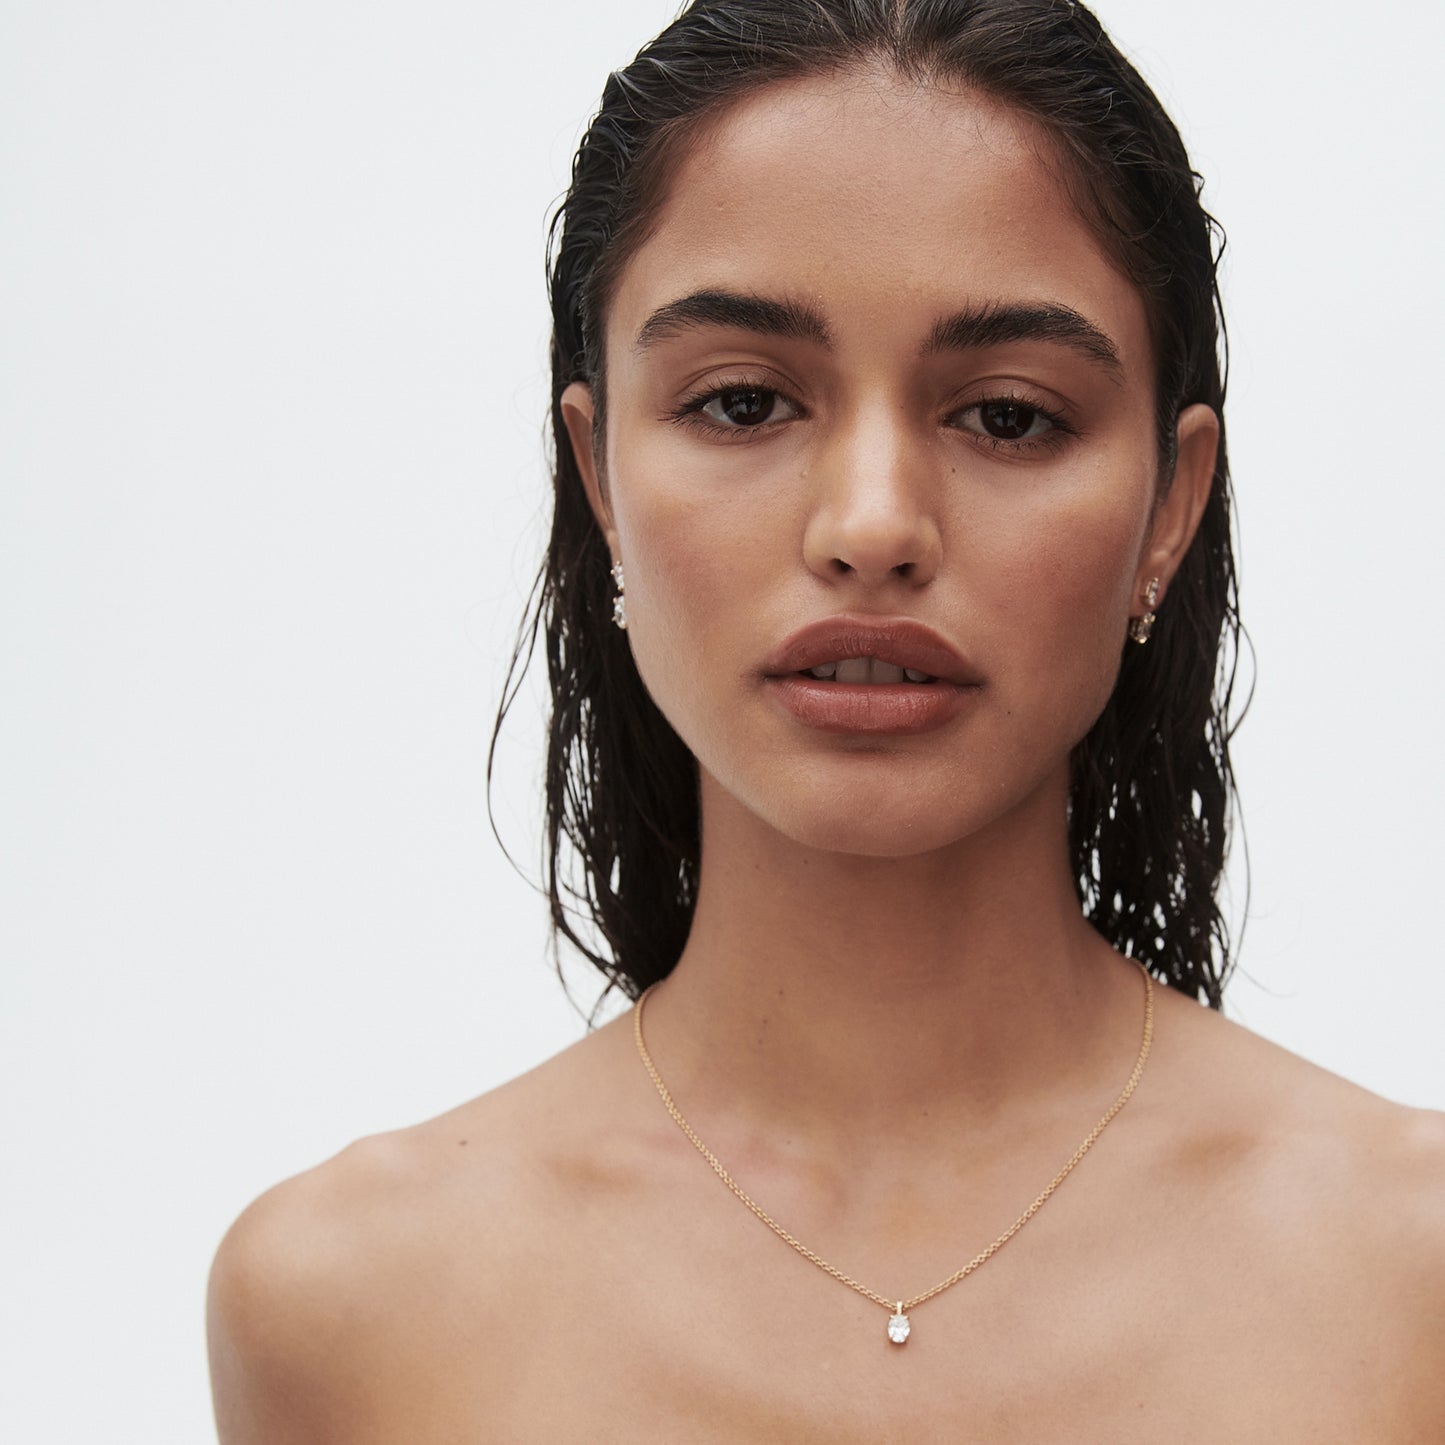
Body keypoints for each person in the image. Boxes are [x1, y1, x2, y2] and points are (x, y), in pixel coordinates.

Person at [207, 1, 1445, 1438]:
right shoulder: (345, 1302)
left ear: (1168, 505)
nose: (871, 526)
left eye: (1006, 416)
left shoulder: (1408, 1277)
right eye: (741, 402)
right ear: (597, 471)